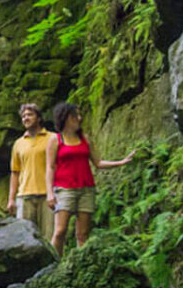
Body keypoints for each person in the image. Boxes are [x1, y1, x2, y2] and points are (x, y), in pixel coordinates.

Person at [44, 102, 135, 255]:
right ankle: (52, 266)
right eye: (75, 116)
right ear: (65, 118)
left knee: (83, 234)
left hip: (86, 189)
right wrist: (49, 193)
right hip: (64, 189)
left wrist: (121, 162)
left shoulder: (85, 139)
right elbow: (50, 167)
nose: (79, 118)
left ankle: (81, 265)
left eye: (79, 115)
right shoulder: (56, 140)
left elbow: (98, 162)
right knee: (60, 231)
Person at [6, 103, 57, 241]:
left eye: (30, 115)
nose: (25, 118)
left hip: (48, 196)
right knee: (24, 239)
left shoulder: (53, 138)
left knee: (49, 238)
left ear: (39, 118)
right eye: (23, 116)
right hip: (24, 197)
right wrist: (11, 199)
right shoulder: (18, 143)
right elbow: (15, 172)